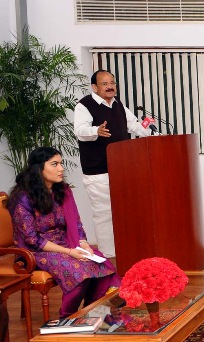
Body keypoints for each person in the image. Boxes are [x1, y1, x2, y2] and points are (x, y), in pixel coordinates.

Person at [9, 147, 119, 318]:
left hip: (66, 244)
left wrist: (84, 245)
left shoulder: (62, 191)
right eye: (55, 164)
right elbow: (31, 239)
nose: (61, 168)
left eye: (61, 164)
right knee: (79, 271)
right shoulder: (23, 198)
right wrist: (69, 252)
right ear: (39, 168)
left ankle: (92, 312)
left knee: (101, 265)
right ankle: (68, 318)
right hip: (35, 252)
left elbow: (76, 223)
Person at [74, 69, 152, 258]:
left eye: (112, 83)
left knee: (125, 210)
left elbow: (133, 124)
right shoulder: (84, 105)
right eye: (105, 84)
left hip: (122, 168)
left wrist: (153, 134)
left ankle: (127, 249)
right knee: (104, 214)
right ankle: (109, 256)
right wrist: (96, 131)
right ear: (95, 87)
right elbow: (80, 130)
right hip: (98, 171)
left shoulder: (118, 104)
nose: (110, 87)